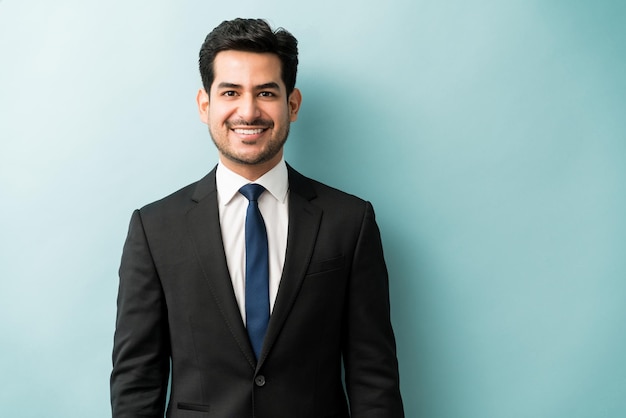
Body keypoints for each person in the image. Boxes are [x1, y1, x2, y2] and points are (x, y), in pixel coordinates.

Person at [111, 18, 404, 418]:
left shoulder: (349, 222)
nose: (248, 111)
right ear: (205, 105)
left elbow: (374, 380)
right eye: (230, 92)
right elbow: (136, 383)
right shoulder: (155, 228)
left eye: (266, 92)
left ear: (292, 104)